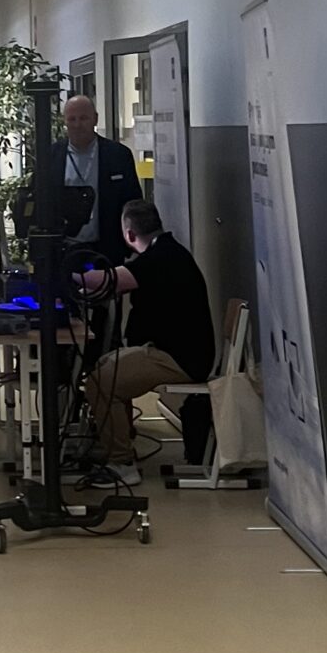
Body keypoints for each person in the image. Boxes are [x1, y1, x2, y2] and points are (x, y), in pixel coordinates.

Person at [78, 198, 215, 456]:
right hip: (178, 352)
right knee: (105, 364)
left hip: (179, 359)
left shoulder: (160, 258)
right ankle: (121, 435)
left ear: (129, 234)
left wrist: (67, 276)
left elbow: (110, 280)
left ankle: (119, 459)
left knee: (100, 383)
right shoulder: (167, 251)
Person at [48, 93, 135, 268]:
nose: (77, 125)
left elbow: (132, 201)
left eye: (83, 118)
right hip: (63, 251)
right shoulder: (51, 156)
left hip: (107, 250)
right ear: (64, 121)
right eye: (72, 119)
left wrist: (129, 245)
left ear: (95, 119)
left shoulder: (118, 155)